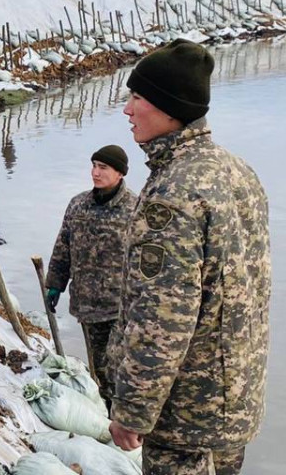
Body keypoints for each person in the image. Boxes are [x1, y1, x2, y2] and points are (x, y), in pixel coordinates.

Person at [108, 39, 271, 475]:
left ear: (169, 107)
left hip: (185, 415)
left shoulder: (173, 193)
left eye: (136, 98)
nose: (126, 109)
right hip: (234, 399)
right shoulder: (237, 171)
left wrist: (133, 410)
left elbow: (164, 317)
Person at [44, 144, 136, 411]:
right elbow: (63, 246)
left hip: (120, 307)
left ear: (119, 173)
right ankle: (107, 417)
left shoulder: (134, 209)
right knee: (98, 366)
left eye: (103, 167)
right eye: (94, 165)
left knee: (119, 367)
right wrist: (55, 285)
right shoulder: (78, 204)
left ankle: (125, 421)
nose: (95, 172)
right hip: (86, 302)